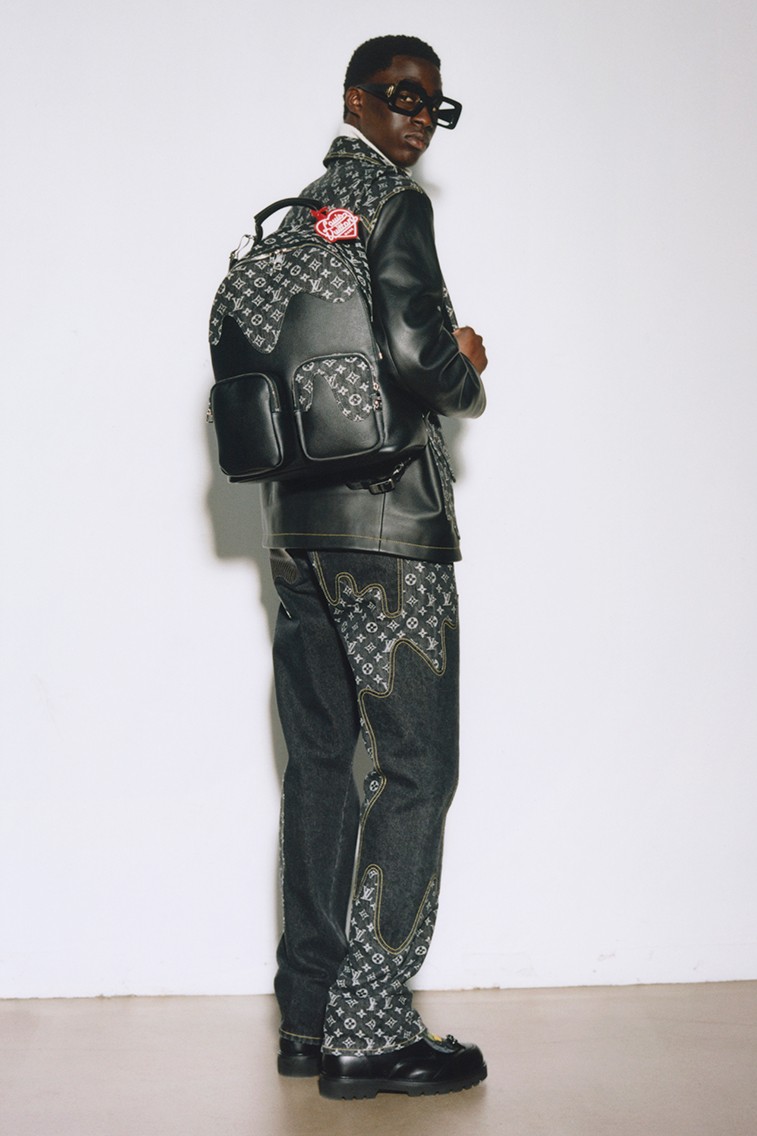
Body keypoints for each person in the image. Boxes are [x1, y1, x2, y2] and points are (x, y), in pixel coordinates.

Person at [263, 35, 489, 1098]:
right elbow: (417, 359)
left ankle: (307, 1020)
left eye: (433, 107)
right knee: (415, 767)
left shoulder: (296, 218)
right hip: (389, 531)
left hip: (296, 530)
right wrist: (467, 369)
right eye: (400, 97)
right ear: (354, 99)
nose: (416, 119)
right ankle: (370, 1026)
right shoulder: (395, 207)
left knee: (319, 763)